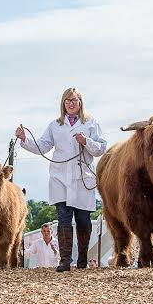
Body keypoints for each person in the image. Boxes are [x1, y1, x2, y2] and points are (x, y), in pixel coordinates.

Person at [15, 87, 107, 272]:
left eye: (74, 100)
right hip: (60, 177)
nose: (71, 104)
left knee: (83, 221)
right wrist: (25, 139)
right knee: (63, 218)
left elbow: (101, 147)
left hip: (82, 178)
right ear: (63, 104)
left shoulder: (90, 123)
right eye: (68, 101)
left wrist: (86, 141)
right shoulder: (55, 125)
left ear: (80, 102)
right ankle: (65, 260)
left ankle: (82, 259)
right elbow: (43, 146)